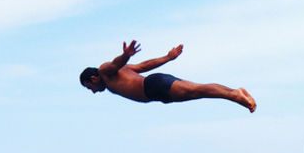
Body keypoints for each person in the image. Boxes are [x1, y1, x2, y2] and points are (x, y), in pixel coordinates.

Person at [79, 40, 256, 112]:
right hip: (156, 87)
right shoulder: (119, 74)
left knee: (198, 90)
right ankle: (235, 92)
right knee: (197, 90)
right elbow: (143, 66)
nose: (94, 91)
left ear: (93, 78)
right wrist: (168, 57)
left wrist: (125, 55)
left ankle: (235, 95)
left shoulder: (104, 71)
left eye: (90, 88)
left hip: (153, 87)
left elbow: (114, 63)